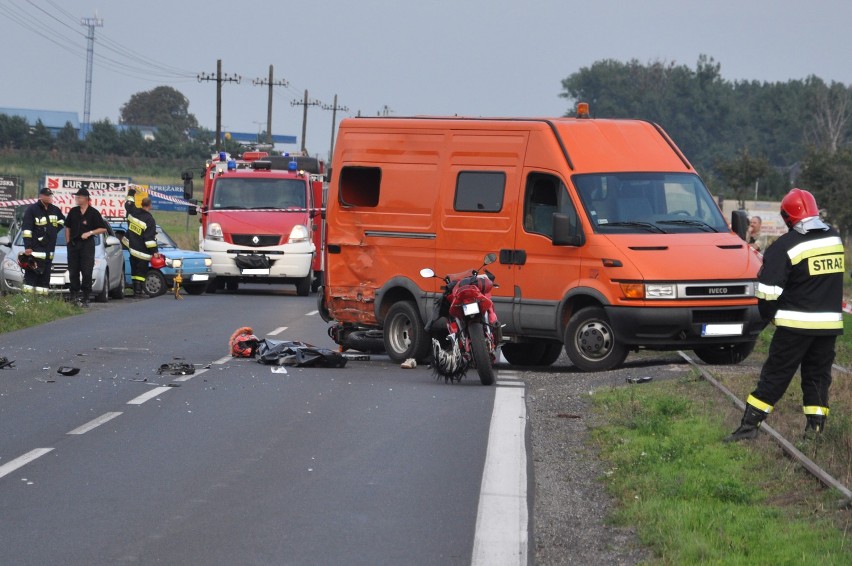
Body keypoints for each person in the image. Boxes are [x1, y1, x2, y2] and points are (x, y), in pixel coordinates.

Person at [725, 189, 844, 442]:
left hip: (794, 327)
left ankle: (749, 427)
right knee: (818, 378)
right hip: (828, 327)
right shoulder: (834, 238)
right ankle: (815, 432)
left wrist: (769, 317)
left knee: (775, 375)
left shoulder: (784, 246)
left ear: (787, 217)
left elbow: (768, 293)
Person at [64, 188, 108, 306]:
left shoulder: (93, 212)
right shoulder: (73, 211)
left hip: (87, 245)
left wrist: (90, 233)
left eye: (79, 197)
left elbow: (103, 229)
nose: (76, 199)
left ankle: (86, 296)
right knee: (73, 271)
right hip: (73, 245)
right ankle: (74, 295)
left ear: (86, 199)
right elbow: (67, 227)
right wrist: (68, 242)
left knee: (87, 271)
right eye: (76, 197)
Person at [21, 187, 65, 295]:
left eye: (50, 195)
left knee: (44, 281)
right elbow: (26, 230)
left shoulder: (55, 209)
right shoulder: (32, 210)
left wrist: (53, 232)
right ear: (41, 196)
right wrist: (28, 247)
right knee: (30, 280)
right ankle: (27, 300)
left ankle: (42, 303)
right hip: (35, 252)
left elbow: (62, 221)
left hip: (48, 253)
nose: (50, 197)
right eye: (47, 196)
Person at [122, 186, 159, 297]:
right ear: (150, 206)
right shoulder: (150, 220)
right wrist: (154, 251)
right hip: (142, 251)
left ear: (142, 204)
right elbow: (149, 239)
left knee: (134, 270)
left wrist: (132, 191)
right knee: (141, 272)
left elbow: (128, 203)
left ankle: (135, 290)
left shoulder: (133, 211)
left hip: (131, 247)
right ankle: (138, 292)